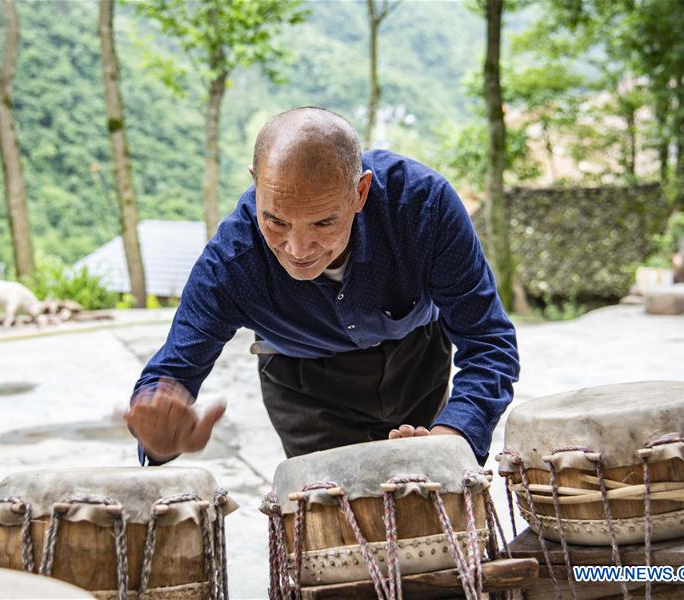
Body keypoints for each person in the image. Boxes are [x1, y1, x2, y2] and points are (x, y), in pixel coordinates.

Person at [125, 107, 519, 466]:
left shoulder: (423, 208)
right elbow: (172, 370)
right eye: (276, 221)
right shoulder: (231, 262)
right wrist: (159, 430)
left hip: (417, 364)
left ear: (360, 192)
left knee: (432, 508)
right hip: (303, 386)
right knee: (334, 525)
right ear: (256, 182)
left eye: (323, 223)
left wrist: (453, 434)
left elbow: (488, 340)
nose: (297, 250)